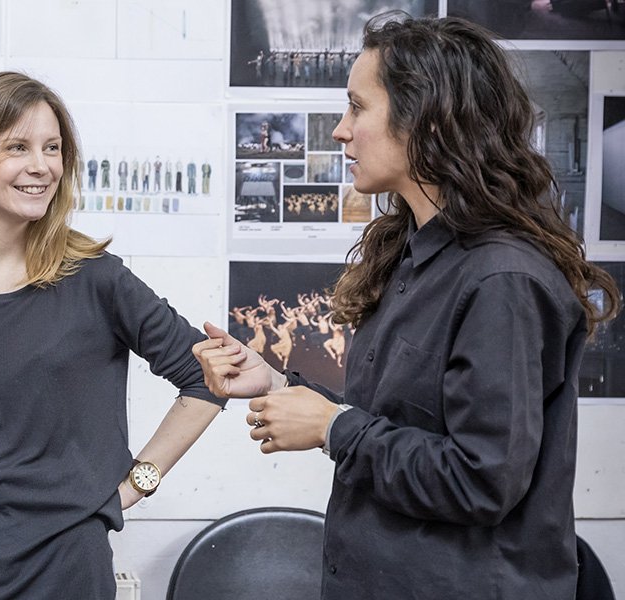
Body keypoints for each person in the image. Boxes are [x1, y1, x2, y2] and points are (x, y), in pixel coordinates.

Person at [192, 14, 619, 600]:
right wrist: (278, 384)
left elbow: (481, 480)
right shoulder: (414, 257)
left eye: (357, 108)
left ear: (427, 121)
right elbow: (399, 422)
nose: (341, 131)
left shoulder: (503, 279)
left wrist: (333, 427)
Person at [0, 71, 227, 600]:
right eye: (18, 147)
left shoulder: (97, 278)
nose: (42, 166)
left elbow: (207, 375)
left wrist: (135, 484)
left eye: (52, 148)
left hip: (69, 573)